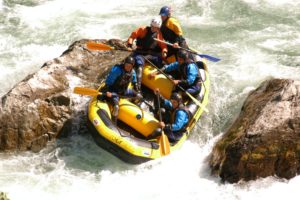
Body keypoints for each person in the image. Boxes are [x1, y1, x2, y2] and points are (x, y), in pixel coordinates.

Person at [127, 18, 168, 92]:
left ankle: (166, 75)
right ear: (150, 25)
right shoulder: (143, 29)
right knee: (140, 63)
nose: (153, 28)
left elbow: (163, 45)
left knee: (160, 60)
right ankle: (138, 87)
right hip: (140, 52)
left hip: (150, 53)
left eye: (156, 28)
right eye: (152, 26)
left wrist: (164, 51)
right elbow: (132, 36)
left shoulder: (158, 34)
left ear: (158, 28)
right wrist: (129, 45)